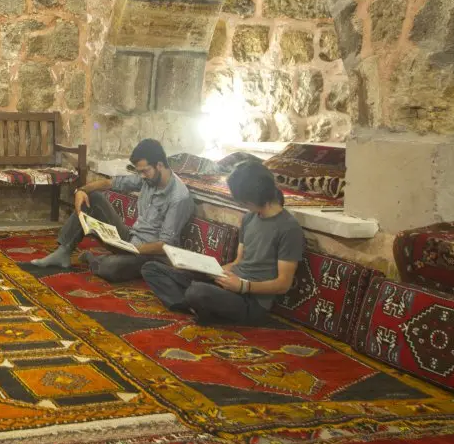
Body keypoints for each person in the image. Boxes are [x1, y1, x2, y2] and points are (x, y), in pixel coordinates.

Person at [142, 160, 302, 325]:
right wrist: (212, 270)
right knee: (151, 268)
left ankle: (195, 303)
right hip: (228, 286)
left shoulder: (289, 228)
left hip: (251, 302)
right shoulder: (249, 218)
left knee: (197, 291)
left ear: (252, 198)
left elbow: (283, 284)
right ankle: (192, 306)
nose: (240, 204)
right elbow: (238, 262)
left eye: (241, 200)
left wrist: (243, 286)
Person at [30, 138, 194, 282]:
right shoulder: (149, 178)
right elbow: (111, 183)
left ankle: (93, 259)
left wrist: (133, 250)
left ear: (159, 165)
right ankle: (63, 252)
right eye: (140, 172)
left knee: (111, 268)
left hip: (150, 255)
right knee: (93, 198)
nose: (142, 176)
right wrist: (82, 190)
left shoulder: (179, 197)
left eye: (145, 171)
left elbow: (165, 245)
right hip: (130, 239)